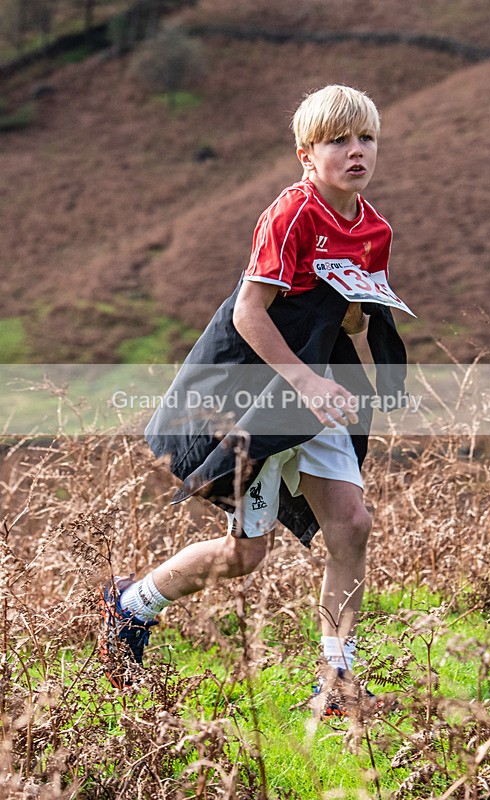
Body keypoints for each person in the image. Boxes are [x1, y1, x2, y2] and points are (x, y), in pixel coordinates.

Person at [99, 84, 406, 717]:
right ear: (306, 154)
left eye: (366, 138)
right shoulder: (289, 215)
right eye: (338, 141)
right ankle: (131, 606)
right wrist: (307, 381)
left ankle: (336, 679)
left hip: (319, 391)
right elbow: (248, 312)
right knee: (245, 554)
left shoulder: (375, 229)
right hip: (261, 392)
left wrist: (354, 332)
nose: (356, 152)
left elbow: (351, 319)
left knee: (351, 525)